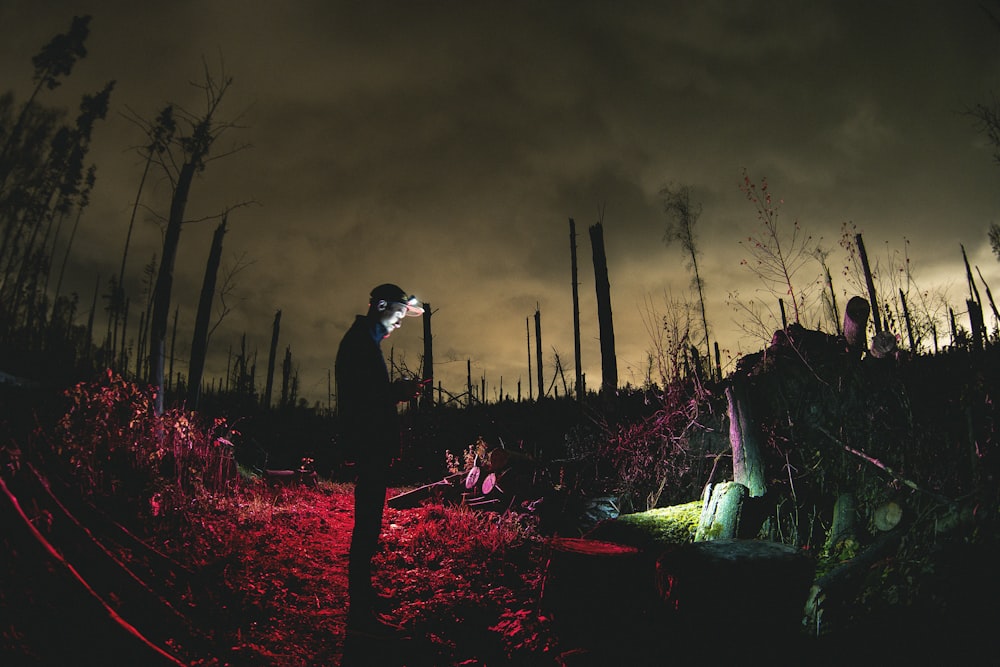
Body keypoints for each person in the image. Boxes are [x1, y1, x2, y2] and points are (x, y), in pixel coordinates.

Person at [335, 283, 424, 632]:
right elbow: (363, 400)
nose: (399, 323)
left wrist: (393, 392)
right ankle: (361, 611)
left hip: (371, 445)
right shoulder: (359, 343)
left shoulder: (364, 342)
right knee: (367, 526)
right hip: (369, 445)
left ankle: (365, 598)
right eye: (398, 314)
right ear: (381, 306)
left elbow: (367, 394)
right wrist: (397, 392)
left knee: (369, 524)